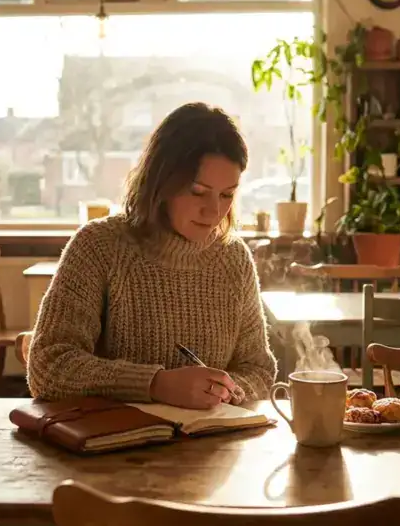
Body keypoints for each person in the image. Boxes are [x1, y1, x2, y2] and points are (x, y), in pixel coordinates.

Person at [26, 102, 278, 410]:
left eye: (227, 194)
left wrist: (224, 392)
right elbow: (48, 366)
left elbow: (259, 370)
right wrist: (155, 384)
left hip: (211, 449)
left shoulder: (234, 259)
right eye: (198, 191)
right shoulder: (98, 246)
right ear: (161, 182)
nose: (214, 211)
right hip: (110, 448)